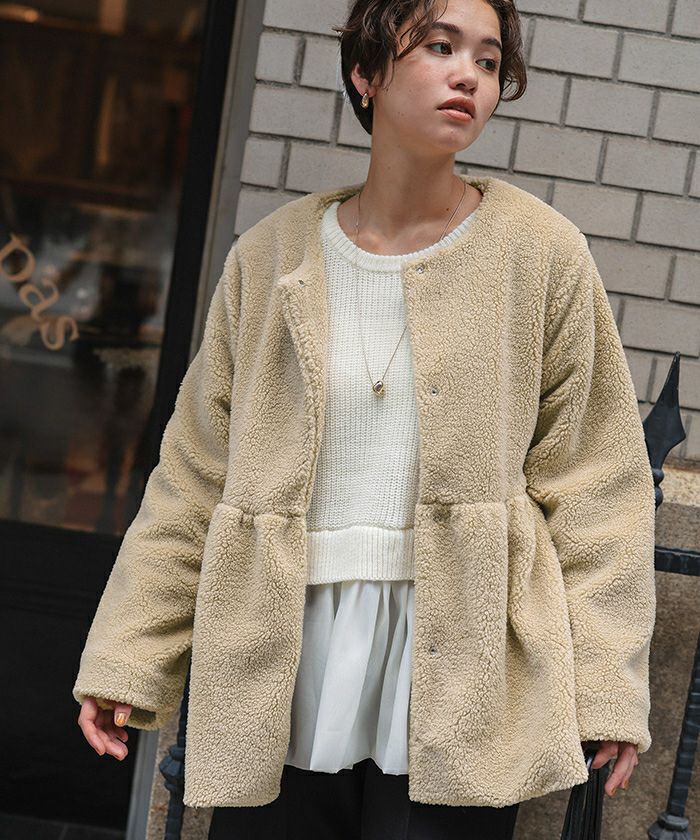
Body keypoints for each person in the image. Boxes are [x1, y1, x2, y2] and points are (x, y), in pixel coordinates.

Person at [74, 0, 656, 838]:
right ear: (366, 71)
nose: (468, 76)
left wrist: (606, 684)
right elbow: (195, 475)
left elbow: (598, 481)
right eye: (440, 46)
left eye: (489, 60)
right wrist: (131, 655)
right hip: (284, 651)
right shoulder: (271, 256)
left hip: (459, 664)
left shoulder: (541, 253)